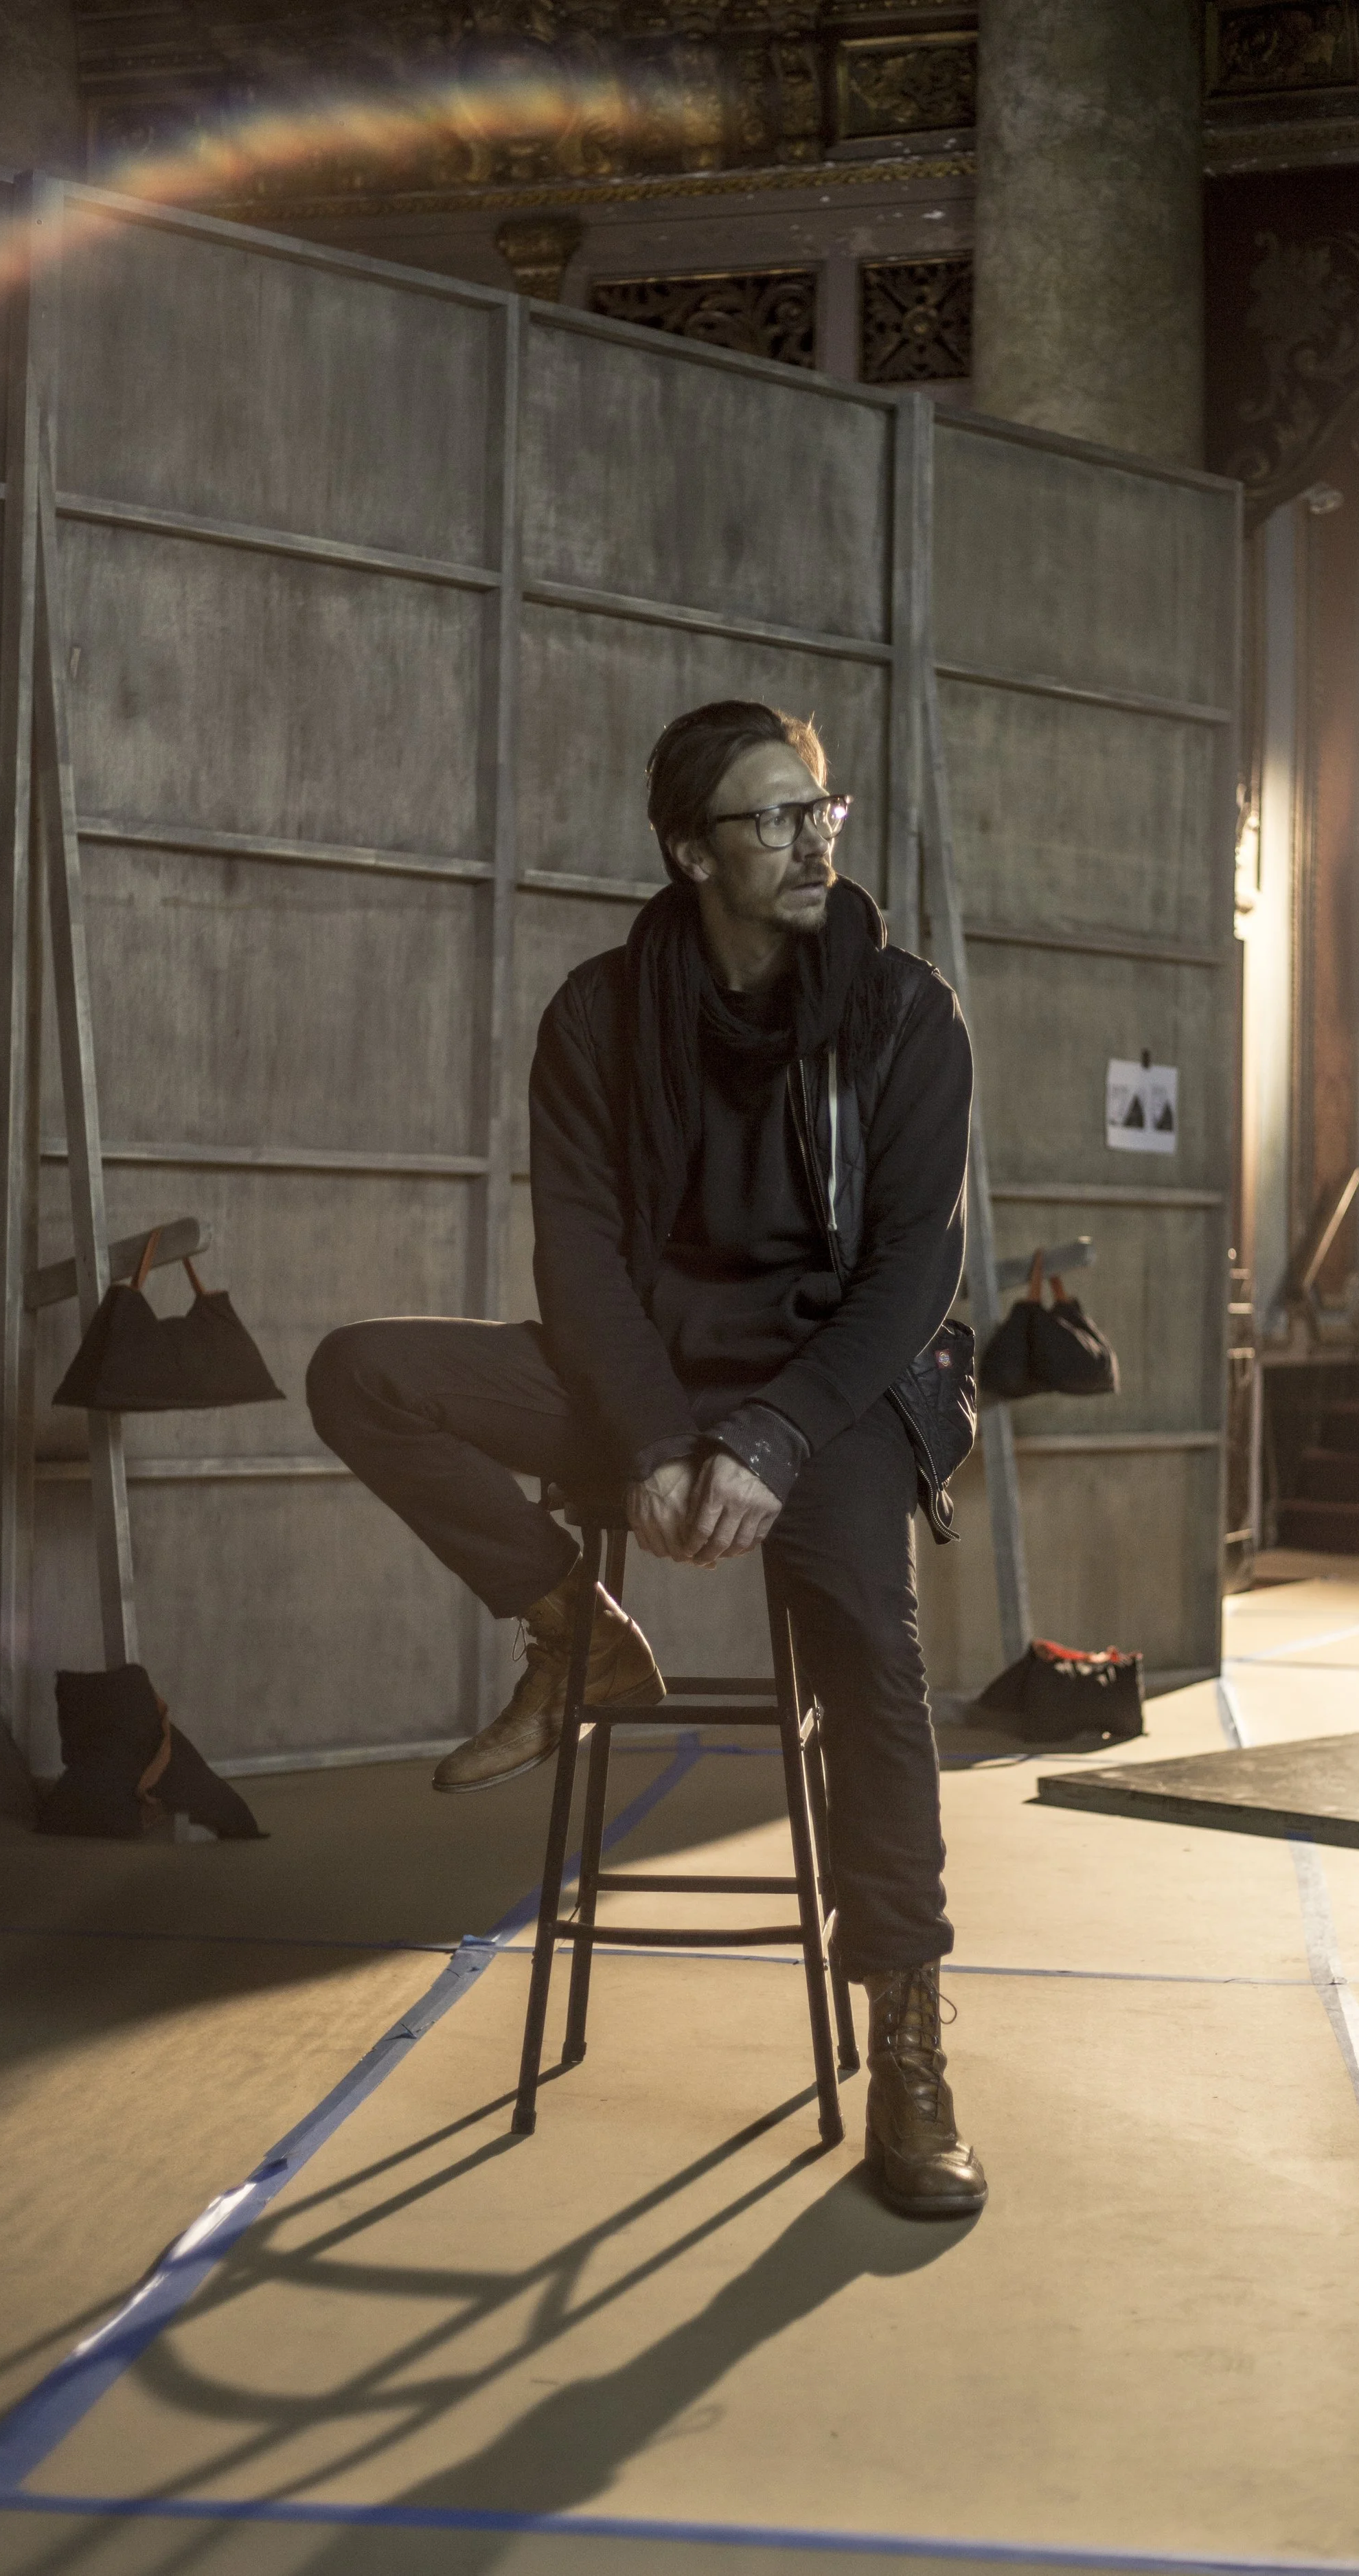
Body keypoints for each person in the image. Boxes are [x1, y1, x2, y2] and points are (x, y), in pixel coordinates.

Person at [306, 700, 985, 2219]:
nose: (813, 840)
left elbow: (905, 1282)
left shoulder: (899, 1014)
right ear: (690, 852)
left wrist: (764, 1434)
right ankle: (574, 1633)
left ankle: (911, 2041)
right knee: (364, 1373)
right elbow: (582, 1261)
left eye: (824, 810)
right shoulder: (600, 1017)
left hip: (829, 1397)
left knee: (872, 1649)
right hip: (645, 1390)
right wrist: (664, 1438)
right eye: (771, 819)